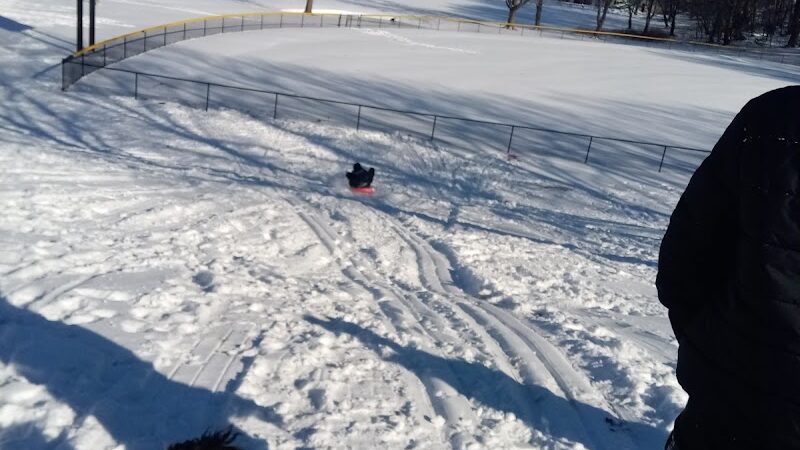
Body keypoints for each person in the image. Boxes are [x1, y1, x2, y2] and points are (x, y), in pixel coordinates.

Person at [657, 85, 800, 449]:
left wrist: (712, 349)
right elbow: (689, 254)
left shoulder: (773, 114)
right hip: (732, 395)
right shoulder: (771, 118)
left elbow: (686, 260)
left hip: (729, 401)